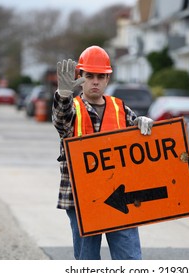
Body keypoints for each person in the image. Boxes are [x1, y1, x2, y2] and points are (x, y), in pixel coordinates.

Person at [52, 45, 154, 260]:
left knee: (130, 261)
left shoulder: (119, 108)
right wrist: (63, 95)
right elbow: (61, 120)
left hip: (120, 195)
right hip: (81, 199)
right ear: (80, 77)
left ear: (108, 78)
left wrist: (142, 125)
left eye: (100, 76)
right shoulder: (73, 108)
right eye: (89, 76)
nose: (95, 81)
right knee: (87, 262)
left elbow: (137, 139)